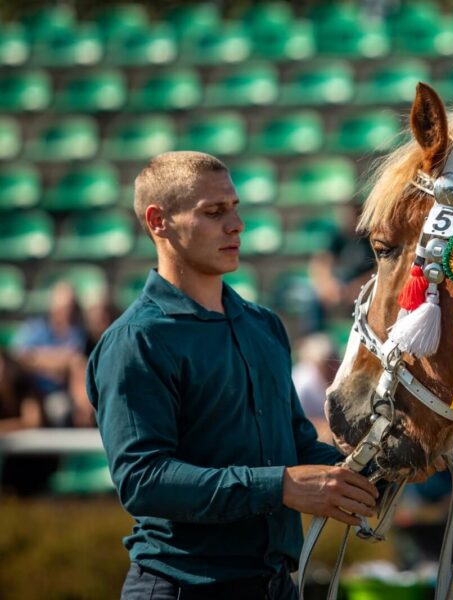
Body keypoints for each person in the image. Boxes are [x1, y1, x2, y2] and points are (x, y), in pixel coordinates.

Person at [86, 151, 380, 600]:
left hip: (277, 586)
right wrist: (279, 486)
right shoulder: (136, 340)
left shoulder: (264, 326)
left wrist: (383, 468)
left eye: (236, 207)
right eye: (214, 212)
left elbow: (297, 444)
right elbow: (143, 479)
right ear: (158, 221)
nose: (236, 224)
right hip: (181, 587)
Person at [11, 281, 93, 427]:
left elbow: (75, 362)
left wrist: (38, 359)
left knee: (62, 409)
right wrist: (58, 362)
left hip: (61, 394)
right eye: (63, 308)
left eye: (72, 307)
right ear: (53, 307)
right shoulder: (34, 328)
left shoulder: (77, 332)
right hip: (30, 390)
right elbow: (19, 359)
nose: (68, 312)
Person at [291, 333, 338, 442]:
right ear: (317, 364)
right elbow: (295, 422)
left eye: (335, 361)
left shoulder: (339, 377)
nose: (334, 368)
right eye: (328, 363)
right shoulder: (302, 383)